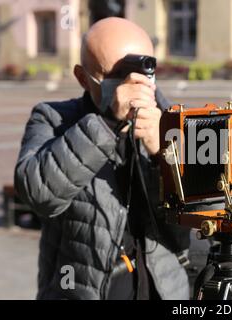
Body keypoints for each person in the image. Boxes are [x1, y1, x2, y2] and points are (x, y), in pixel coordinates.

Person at [14, 17, 192, 300]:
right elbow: (38, 194)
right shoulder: (54, 118)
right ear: (83, 78)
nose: (133, 86)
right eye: (119, 76)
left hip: (164, 290)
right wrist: (106, 124)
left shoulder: (172, 120)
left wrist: (164, 154)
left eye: (143, 73)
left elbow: (201, 219)